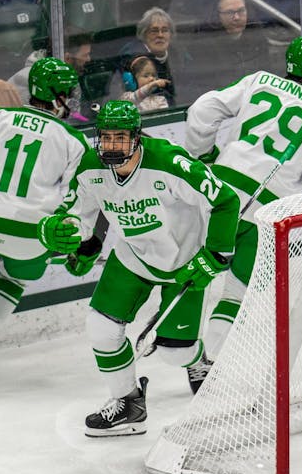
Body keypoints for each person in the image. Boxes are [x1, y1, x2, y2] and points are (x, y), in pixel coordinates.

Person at [37, 100, 239, 435]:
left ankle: (197, 360)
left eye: (120, 137)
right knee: (100, 327)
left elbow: (225, 200)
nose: (112, 145)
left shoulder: (169, 163)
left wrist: (215, 255)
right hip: (132, 257)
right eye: (106, 137)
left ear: (137, 137)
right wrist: (63, 232)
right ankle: (128, 403)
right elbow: (77, 213)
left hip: (183, 262)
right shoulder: (90, 167)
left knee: (177, 354)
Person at [183, 36, 302, 381]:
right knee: (236, 291)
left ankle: (179, 342)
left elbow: (200, 112)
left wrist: (203, 156)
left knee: (199, 270)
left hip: (218, 193)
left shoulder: (257, 81)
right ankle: (205, 367)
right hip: (266, 211)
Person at [0, 58, 89, 322]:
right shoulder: (73, 140)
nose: (72, 98)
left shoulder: (1, 117)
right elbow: (73, 198)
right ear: (55, 96)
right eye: (68, 92)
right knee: (15, 279)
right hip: (29, 235)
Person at [191, 0, 272, 86]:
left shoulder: (255, 32)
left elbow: (266, 72)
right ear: (217, 16)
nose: (236, 17)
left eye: (241, 11)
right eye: (230, 12)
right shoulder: (205, 42)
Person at [116, 7, 186, 108]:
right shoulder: (133, 58)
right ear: (144, 34)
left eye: (165, 30)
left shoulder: (179, 56)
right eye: (154, 31)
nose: (160, 35)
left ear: (171, 35)